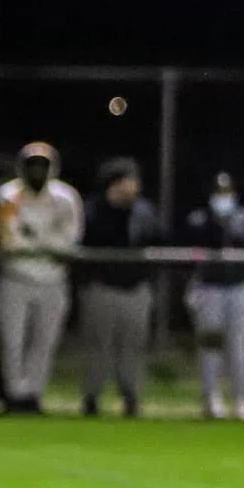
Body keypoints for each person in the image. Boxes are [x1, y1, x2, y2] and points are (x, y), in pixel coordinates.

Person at [0, 142, 81, 413]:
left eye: (43, 165)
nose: (37, 171)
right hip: (15, 275)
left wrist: (34, 237)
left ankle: (33, 394)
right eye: (32, 165)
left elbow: (69, 241)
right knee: (12, 341)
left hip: (53, 278)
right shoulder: (9, 196)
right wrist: (47, 241)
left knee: (45, 340)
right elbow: (10, 241)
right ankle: (13, 394)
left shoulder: (66, 198)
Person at [78, 157, 161, 417]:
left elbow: (160, 236)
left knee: (133, 348)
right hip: (102, 288)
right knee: (98, 347)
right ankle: (92, 398)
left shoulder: (144, 212)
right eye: (128, 181)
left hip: (135, 289)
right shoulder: (93, 211)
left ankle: (131, 397)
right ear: (113, 184)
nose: (134, 187)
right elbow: (86, 241)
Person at [184, 172, 244, 420]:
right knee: (210, 344)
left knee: (238, 346)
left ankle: (240, 400)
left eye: (226, 192)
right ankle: (210, 398)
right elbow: (195, 248)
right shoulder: (198, 219)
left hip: (239, 286)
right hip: (210, 287)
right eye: (218, 193)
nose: (223, 197)